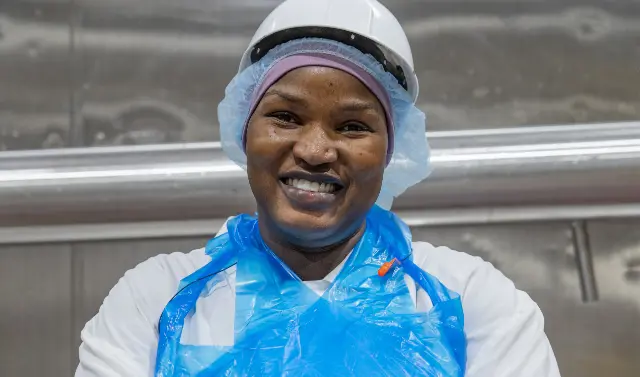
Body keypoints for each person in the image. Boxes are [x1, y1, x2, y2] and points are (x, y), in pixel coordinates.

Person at [75, 0, 561, 376]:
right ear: (246, 131)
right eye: (285, 117)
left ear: (389, 151)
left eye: (352, 126)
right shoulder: (157, 301)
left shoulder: (468, 301)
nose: (314, 150)